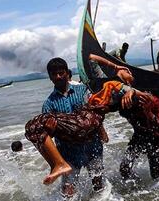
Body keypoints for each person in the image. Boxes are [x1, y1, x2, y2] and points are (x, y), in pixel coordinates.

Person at [41, 57, 133, 197]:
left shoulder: (83, 91)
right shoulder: (48, 104)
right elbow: (49, 135)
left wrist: (101, 130)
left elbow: (94, 111)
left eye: (61, 72)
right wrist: (51, 130)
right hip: (68, 152)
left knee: (98, 184)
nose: (58, 76)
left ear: (67, 73)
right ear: (50, 78)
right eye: (54, 74)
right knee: (68, 193)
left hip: (92, 146)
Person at [119, 92, 159, 181]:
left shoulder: (152, 101)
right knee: (124, 168)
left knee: (157, 175)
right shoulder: (124, 103)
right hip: (139, 136)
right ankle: (136, 187)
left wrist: (149, 113)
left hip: (155, 138)